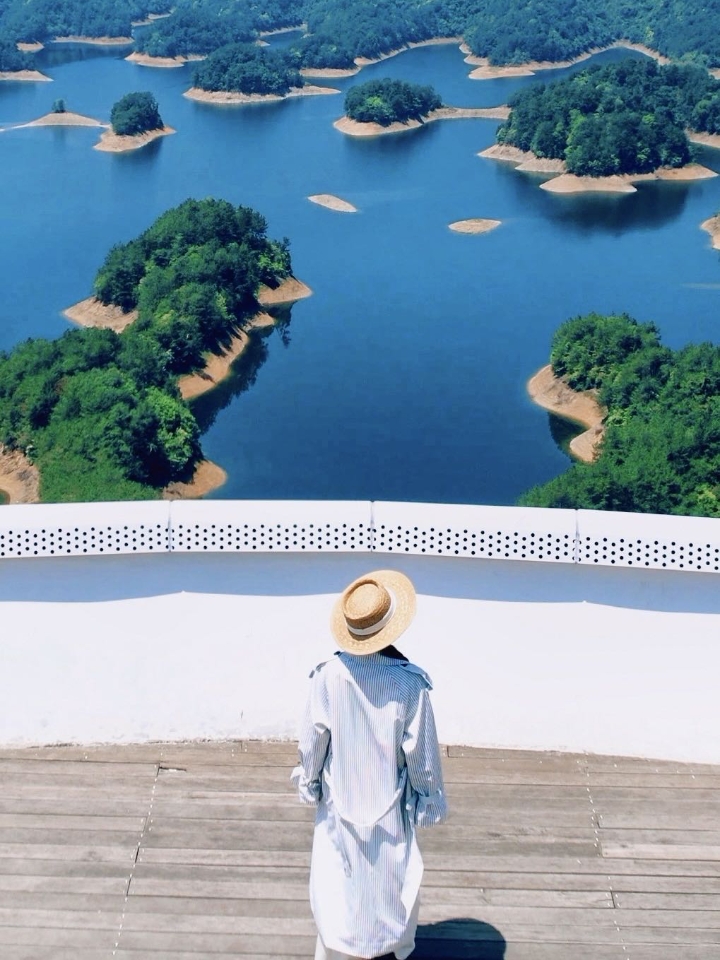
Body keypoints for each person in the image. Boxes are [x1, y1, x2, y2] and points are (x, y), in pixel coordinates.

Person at [292, 569, 448, 960]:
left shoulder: (328, 676)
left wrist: (310, 781)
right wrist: (427, 797)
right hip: (387, 799)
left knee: (339, 877)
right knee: (388, 876)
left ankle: (342, 948)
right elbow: (422, 755)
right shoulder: (410, 683)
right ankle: (383, 947)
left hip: (340, 794)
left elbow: (313, 741)